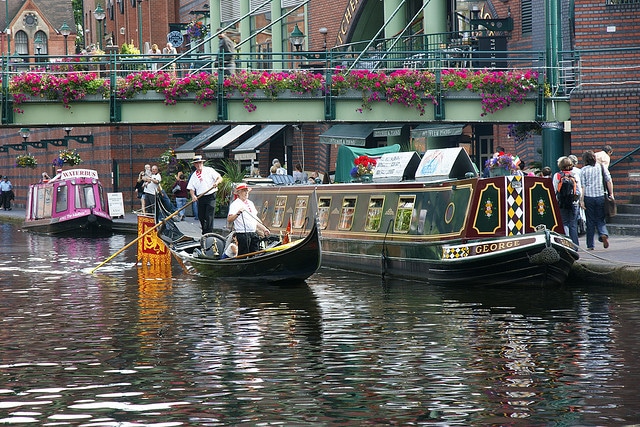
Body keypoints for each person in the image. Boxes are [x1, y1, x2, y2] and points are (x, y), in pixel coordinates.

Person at [580, 150, 614, 250]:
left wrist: (581, 201)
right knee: (600, 219)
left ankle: (590, 245)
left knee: (590, 221)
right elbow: (608, 180)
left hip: (588, 197)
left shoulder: (583, 170)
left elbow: (583, 186)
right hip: (600, 196)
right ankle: (603, 234)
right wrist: (611, 194)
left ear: (585, 160)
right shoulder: (601, 167)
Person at [227, 183, 270, 255]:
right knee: (243, 254)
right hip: (243, 233)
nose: (246, 192)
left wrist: (264, 229)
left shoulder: (250, 203)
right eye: (244, 191)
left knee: (255, 253)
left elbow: (255, 219)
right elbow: (229, 219)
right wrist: (238, 213)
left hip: (253, 232)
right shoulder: (235, 204)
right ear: (239, 193)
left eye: (247, 191)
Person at [187, 155, 223, 234]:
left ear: (202, 163)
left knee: (209, 215)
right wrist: (193, 196)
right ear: (194, 165)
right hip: (201, 197)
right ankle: (204, 231)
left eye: (200, 163)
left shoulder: (209, 170)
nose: (198, 164)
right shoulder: (193, 176)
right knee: (201, 216)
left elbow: (220, 178)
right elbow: (191, 188)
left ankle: (209, 233)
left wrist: (216, 183)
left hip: (211, 196)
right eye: (197, 163)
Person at [553, 156, 581, 245]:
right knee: (573, 224)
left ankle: (566, 243)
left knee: (564, 223)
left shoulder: (557, 175)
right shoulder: (575, 175)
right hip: (574, 202)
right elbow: (579, 190)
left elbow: (554, 190)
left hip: (562, 203)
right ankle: (575, 245)